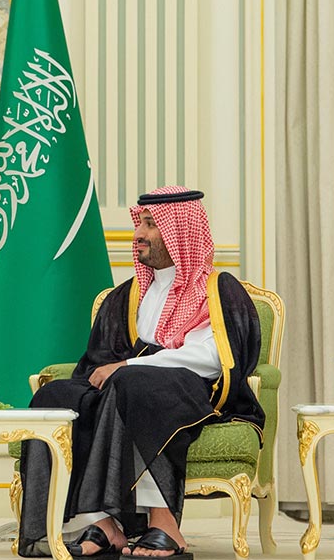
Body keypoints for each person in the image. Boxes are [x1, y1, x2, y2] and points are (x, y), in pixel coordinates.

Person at [17, 187, 265, 559]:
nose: (138, 235)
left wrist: (130, 366)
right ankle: (101, 523)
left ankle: (165, 525)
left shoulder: (217, 289)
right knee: (56, 396)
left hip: (192, 390)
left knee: (136, 385)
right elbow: (101, 357)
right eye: (140, 224)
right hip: (126, 385)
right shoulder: (127, 295)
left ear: (179, 230)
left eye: (151, 225)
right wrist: (118, 370)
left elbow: (213, 357)